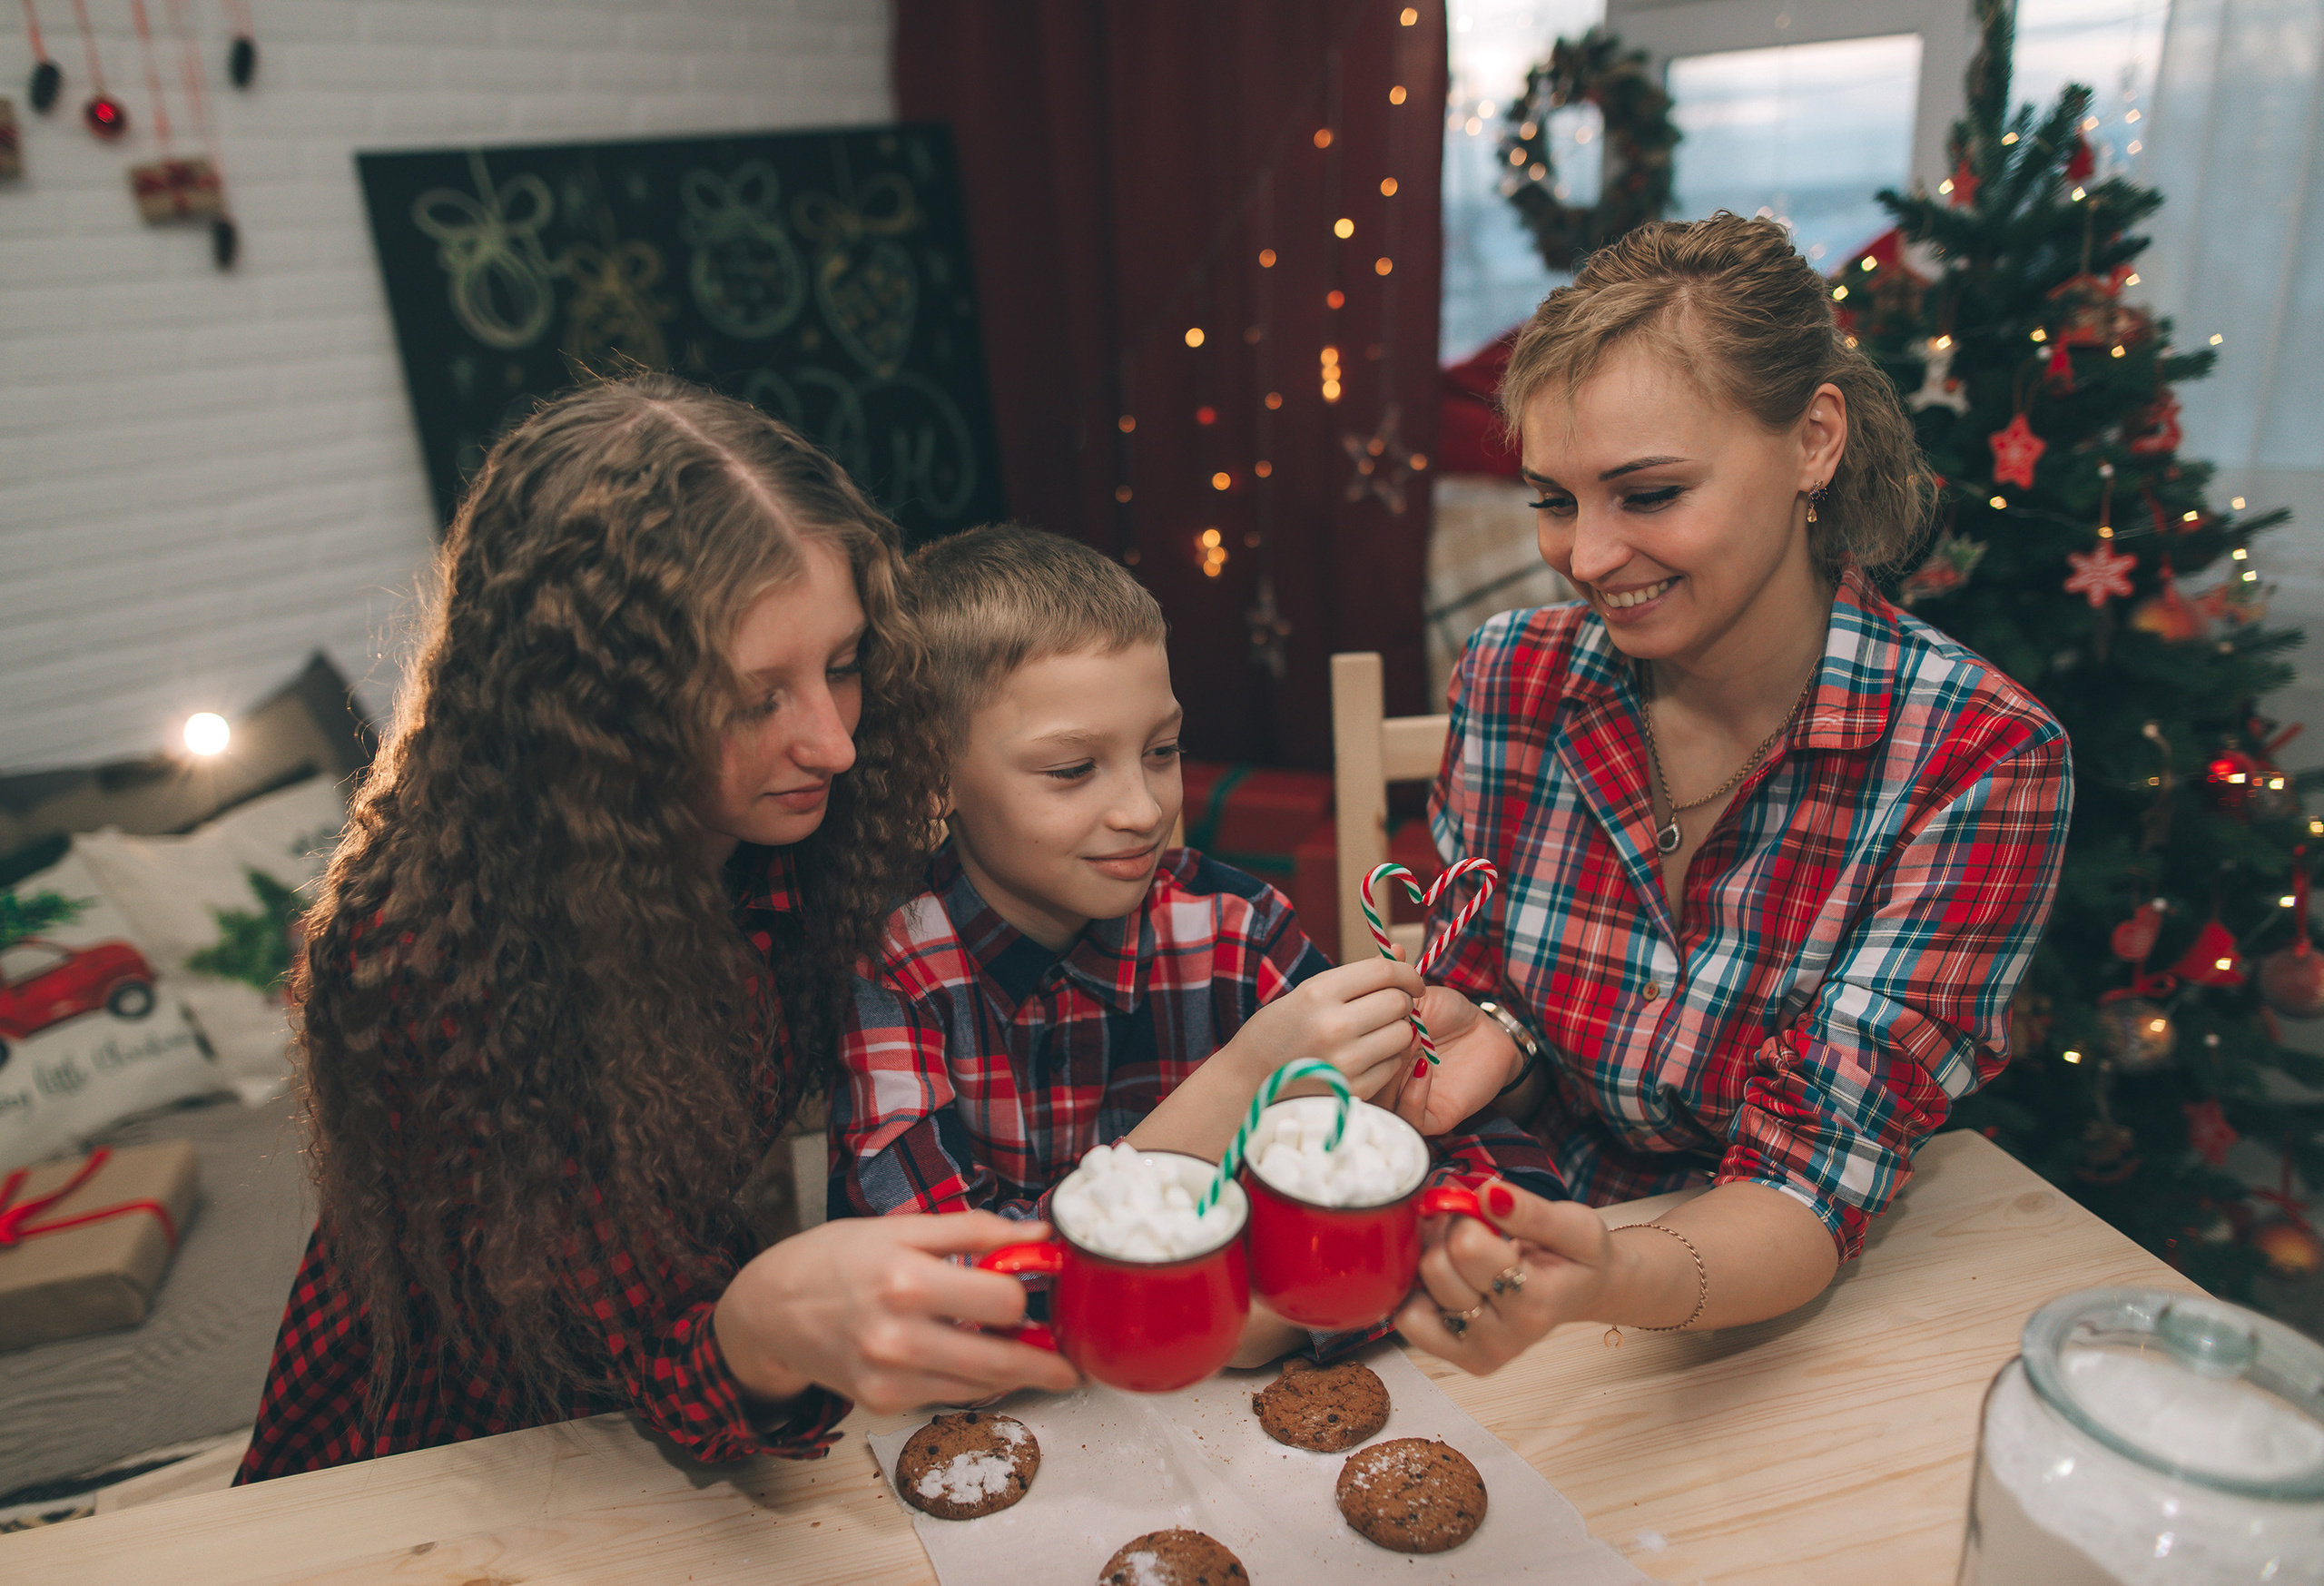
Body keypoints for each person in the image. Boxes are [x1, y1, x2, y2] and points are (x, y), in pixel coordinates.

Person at [237, 378, 1076, 1483]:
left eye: (841, 664)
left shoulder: (805, 821)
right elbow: (637, 1350)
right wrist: (761, 1326)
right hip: (479, 1433)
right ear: (591, 715)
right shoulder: (428, 957)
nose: (830, 742)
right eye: (751, 698)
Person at [1388, 215, 2072, 1370]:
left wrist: (1604, 1272)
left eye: (1645, 494)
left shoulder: (1977, 759)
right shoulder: (1511, 675)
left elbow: (1810, 1179)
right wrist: (1494, 1030)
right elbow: (1492, 973)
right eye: (1552, 499)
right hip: (1511, 1232)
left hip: (1779, 1309)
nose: (1586, 556)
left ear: (1812, 440)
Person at [831, 523, 1565, 1367]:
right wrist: (1246, 1081)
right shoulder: (890, 969)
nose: (1144, 808)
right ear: (933, 775)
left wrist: (1264, 1317)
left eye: (1163, 750)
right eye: (1073, 770)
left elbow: (1493, 1192)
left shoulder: (1235, 925)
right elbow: (939, 1309)